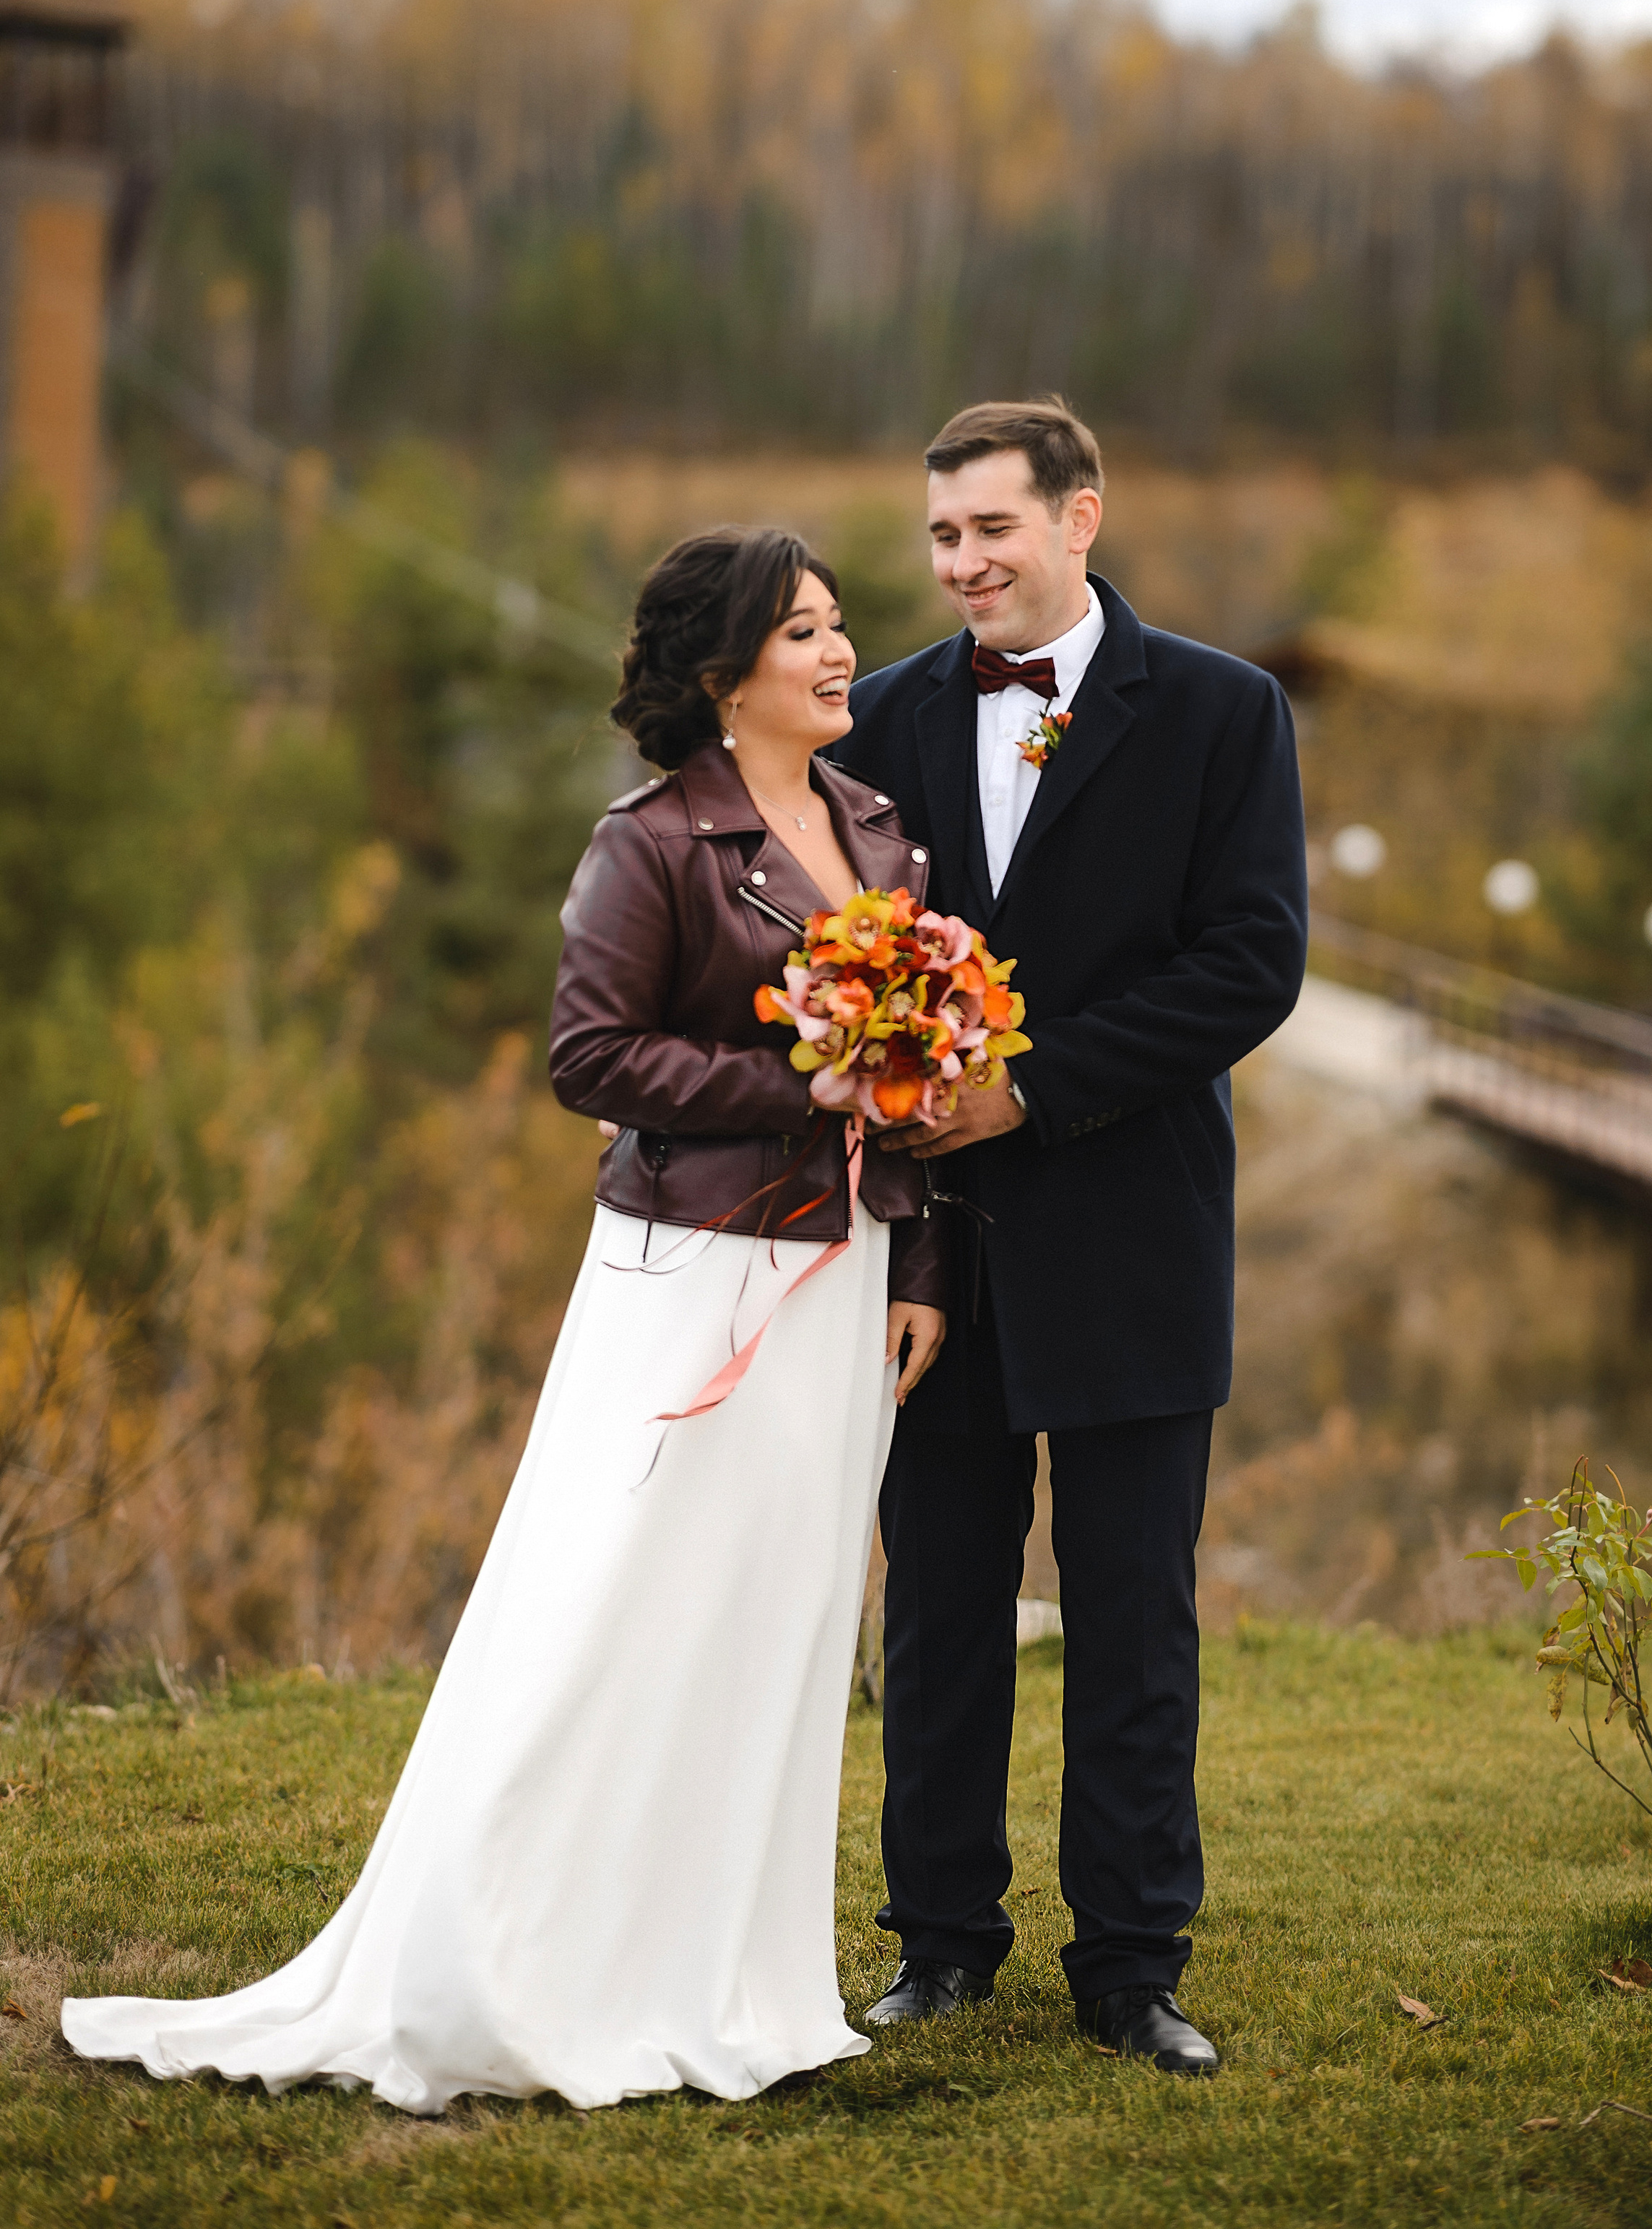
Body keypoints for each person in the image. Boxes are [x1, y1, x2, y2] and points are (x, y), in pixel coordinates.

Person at [63, 527, 950, 2114]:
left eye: (839, 627)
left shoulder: (884, 833)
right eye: (804, 632)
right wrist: (785, 1086)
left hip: (844, 1283)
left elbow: (914, 1081)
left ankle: (733, 1979)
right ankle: (514, 1957)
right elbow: (589, 1056)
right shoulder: (649, 844)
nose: (839, 654)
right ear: (718, 671)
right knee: (616, 1603)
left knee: (781, 1619)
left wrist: (926, 1268)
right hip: (689, 1276)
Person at [833, 399, 1307, 2077]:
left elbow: (1248, 965)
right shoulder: (873, 719)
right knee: (937, 1613)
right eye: (941, 537)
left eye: (992, 531)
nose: (961, 563)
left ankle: (1129, 1970)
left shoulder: (1222, 711)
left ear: (1079, 516)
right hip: (929, 1263)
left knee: (1130, 1620)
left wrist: (1030, 1092)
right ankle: (939, 1947)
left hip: (1133, 1234)